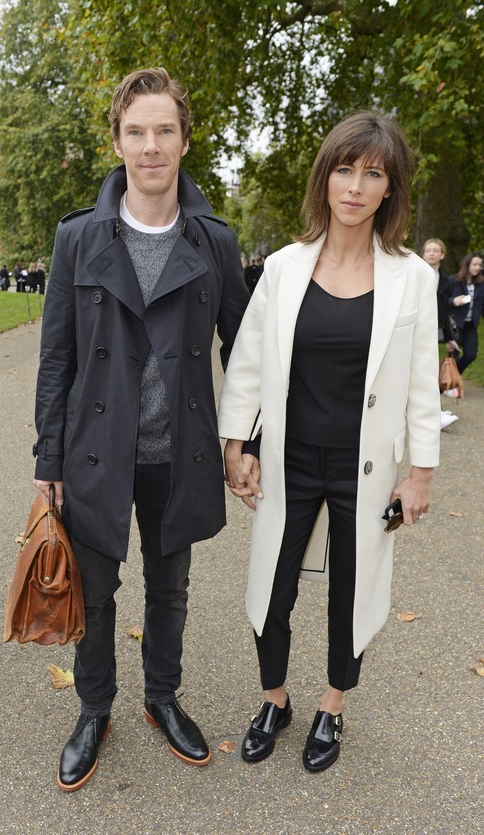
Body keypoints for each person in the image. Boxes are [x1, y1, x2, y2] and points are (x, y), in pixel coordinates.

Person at [32, 67, 249, 791]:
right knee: (93, 594)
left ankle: (162, 696)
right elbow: (57, 356)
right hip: (97, 452)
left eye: (164, 130)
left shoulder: (215, 241)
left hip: (176, 452)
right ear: (118, 140)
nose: (150, 146)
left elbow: (241, 351)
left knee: (171, 588)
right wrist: (48, 458)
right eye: (136, 131)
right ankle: (95, 708)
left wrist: (241, 439)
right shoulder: (77, 238)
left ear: (185, 139)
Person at [218, 111, 440, 773]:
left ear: (389, 189)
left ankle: (332, 706)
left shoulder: (414, 279)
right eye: (345, 168)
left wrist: (420, 473)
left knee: (354, 591)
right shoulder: (284, 268)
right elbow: (249, 365)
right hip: (290, 461)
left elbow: (422, 387)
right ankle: (275, 700)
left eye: (372, 173)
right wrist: (238, 445)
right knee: (271, 591)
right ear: (326, 177)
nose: (355, 185)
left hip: (364, 470)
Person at [421, 238, 459, 429]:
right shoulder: (415, 272)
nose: (432, 253)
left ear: (442, 255)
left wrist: (449, 338)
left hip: (431, 330)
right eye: (428, 250)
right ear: (423, 253)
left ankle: (435, 413)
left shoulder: (444, 280)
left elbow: (443, 311)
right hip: (412, 327)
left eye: (436, 250)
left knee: (428, 371)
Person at [448, 252, 484, 374]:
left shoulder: (481, 284)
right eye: (475, 264)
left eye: (480, 265)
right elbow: (441, 302)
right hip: (455, 325)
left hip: (471, 326)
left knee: (471, 355)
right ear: (467, 265)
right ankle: (450, 384)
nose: (478, 267)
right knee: (454, 356)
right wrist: (454, 301)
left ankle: (452, 377)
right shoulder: (453, 280)